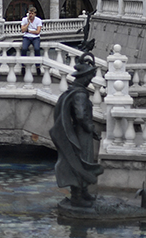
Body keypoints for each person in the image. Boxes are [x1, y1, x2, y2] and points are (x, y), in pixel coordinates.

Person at [50, 56, 103, 208]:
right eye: (89, 77)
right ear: (83, 77)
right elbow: (80, 115)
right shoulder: (79, 94)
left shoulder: (73, 91)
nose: (90, 81)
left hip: (80, 132)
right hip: (81, 134)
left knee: (82, 160)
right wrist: (90, 128)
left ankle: (83, 191)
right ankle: (77, 196)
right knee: (82, 160)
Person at [20, 6, 42, 75]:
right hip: (26, 37)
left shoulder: (38, 20)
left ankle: (37, 66)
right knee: (24, 49)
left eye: (32, 13)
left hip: (36, 37)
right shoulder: (24, 20)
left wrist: (29, 31)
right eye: (29, 13)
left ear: (35, 14)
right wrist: (28, 23)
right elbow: (23, 30)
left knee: (37, 49)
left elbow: (38, 31)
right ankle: (23, 66)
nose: (30, 15)